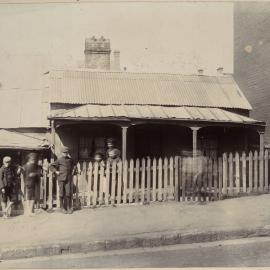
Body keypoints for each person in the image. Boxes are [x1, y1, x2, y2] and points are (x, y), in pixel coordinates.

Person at [49, 147, 77, 214]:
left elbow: (75, 164)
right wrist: (56, 171)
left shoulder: (70, 160)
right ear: (62, 153)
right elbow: (51, 166)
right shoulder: (59, 160)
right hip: (61, 178)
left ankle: (68, 207)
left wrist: (74, 170)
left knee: (68, 193)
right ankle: (62, 208)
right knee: (61, 193)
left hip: (68, 179)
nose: (65, 154)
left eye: (66, 152)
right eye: (64, 152)